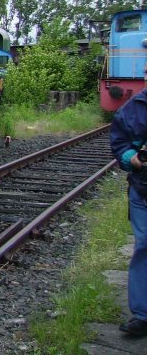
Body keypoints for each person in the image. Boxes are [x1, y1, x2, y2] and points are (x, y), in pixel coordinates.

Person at [110, 66, 147, 337]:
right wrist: (131, 159)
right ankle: (143, 314)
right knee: (144, 247)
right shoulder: (133, 109)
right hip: (143, 190)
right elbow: (120, 145)